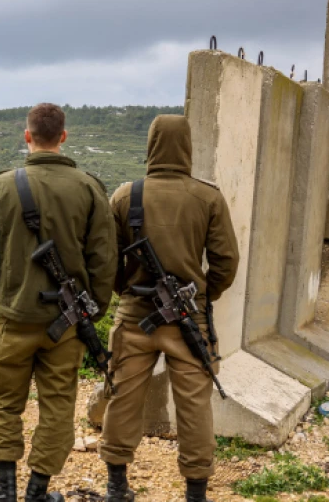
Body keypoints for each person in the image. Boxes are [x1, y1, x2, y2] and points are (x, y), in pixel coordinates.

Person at [0, 103, 118, 502]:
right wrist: (92, 311)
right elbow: (104, 260)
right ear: (64, 137)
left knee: (4, 404)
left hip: (12, 318)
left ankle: (4, 492)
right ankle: (37, 492)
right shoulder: (89, 188)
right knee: (57, 408)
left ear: (28, 136)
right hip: (68, 325)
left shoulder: (0, 188)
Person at [99, 114, 239, 502]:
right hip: (187, 319)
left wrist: (125, 290)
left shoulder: (126, 195)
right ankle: (195, 492)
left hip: (134, 317)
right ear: (187, 147)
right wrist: (203, 296)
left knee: (124, 396)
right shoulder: (207, 196)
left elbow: (108, 260)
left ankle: (116, 485)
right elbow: (226, 261)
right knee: (194, 404)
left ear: (151, 146)